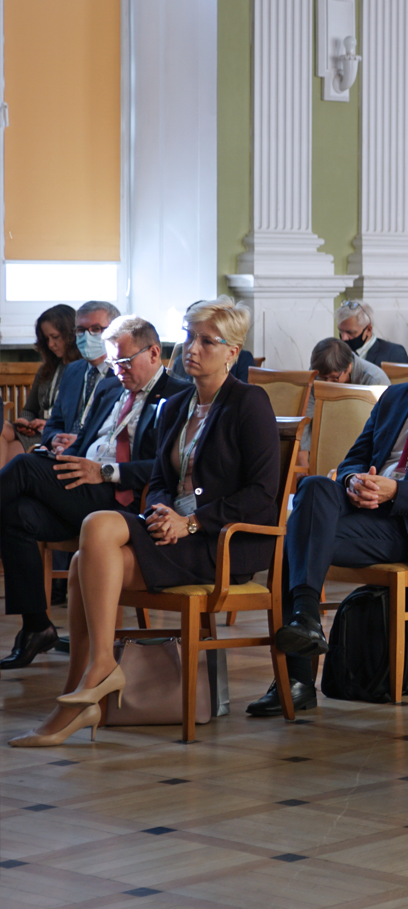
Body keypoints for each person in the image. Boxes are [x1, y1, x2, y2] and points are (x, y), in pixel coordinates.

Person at [7, 299, 284, 747]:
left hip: (219, 542)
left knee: (86, 550)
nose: (191, 348)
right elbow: (158, 480)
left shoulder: (249, 402)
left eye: (206, 341)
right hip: (170, 530)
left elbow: (262, 494)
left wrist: (190, 522)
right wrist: (159, 510)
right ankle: (85, 686)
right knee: (89, 543)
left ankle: (91, 680)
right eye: (189, 337)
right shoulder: (176, 405)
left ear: (232, 352)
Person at [256, 306, 408, 711]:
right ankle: (306, 621)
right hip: (361, 510)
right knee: (315, 486)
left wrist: (395, 492)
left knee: (295, 542)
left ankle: (297, 677)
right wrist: (354, 481)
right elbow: (354, 458)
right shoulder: (397, 396)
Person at [0, 316, 190, 671]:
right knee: (16, 514)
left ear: (153, 353)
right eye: (113, 362)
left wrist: (104, 471)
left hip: (121, 499)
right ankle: (37, 627)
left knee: (24, 467)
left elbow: (168, 467)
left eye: (125, 361)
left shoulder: (179, 395)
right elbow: (87, 441)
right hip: (80, 486)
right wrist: (63, 453)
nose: (118, 371)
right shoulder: (110, 388)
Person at [36, 301, 120, 454]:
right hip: (62, 452)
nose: (87, 337)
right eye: (81, 330)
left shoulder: (122, 375)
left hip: (95, 456)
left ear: (115, 332)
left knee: (22, 463)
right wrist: (55, 439)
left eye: (96, 329)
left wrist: (80, 443)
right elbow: (54, 422)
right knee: (23, 462)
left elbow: (119, 432)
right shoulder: (72, 370)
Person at [1, 304, 79, 467]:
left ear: (71, 335)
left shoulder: (83, 370)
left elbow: (81, 420)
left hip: (54, 435)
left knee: (10, 449)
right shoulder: (47, 369)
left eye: (55, 337)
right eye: (46, 339)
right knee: (1, 430)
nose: (51, 344)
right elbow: (30, 409)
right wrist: (25, 421)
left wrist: (48, 425)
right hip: (33, 433)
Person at [336, 298, 408, 366]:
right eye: (341, 331)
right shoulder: (337, 352)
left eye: (350, 332)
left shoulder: (393, 353)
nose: (344, 338)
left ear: (368, 329)